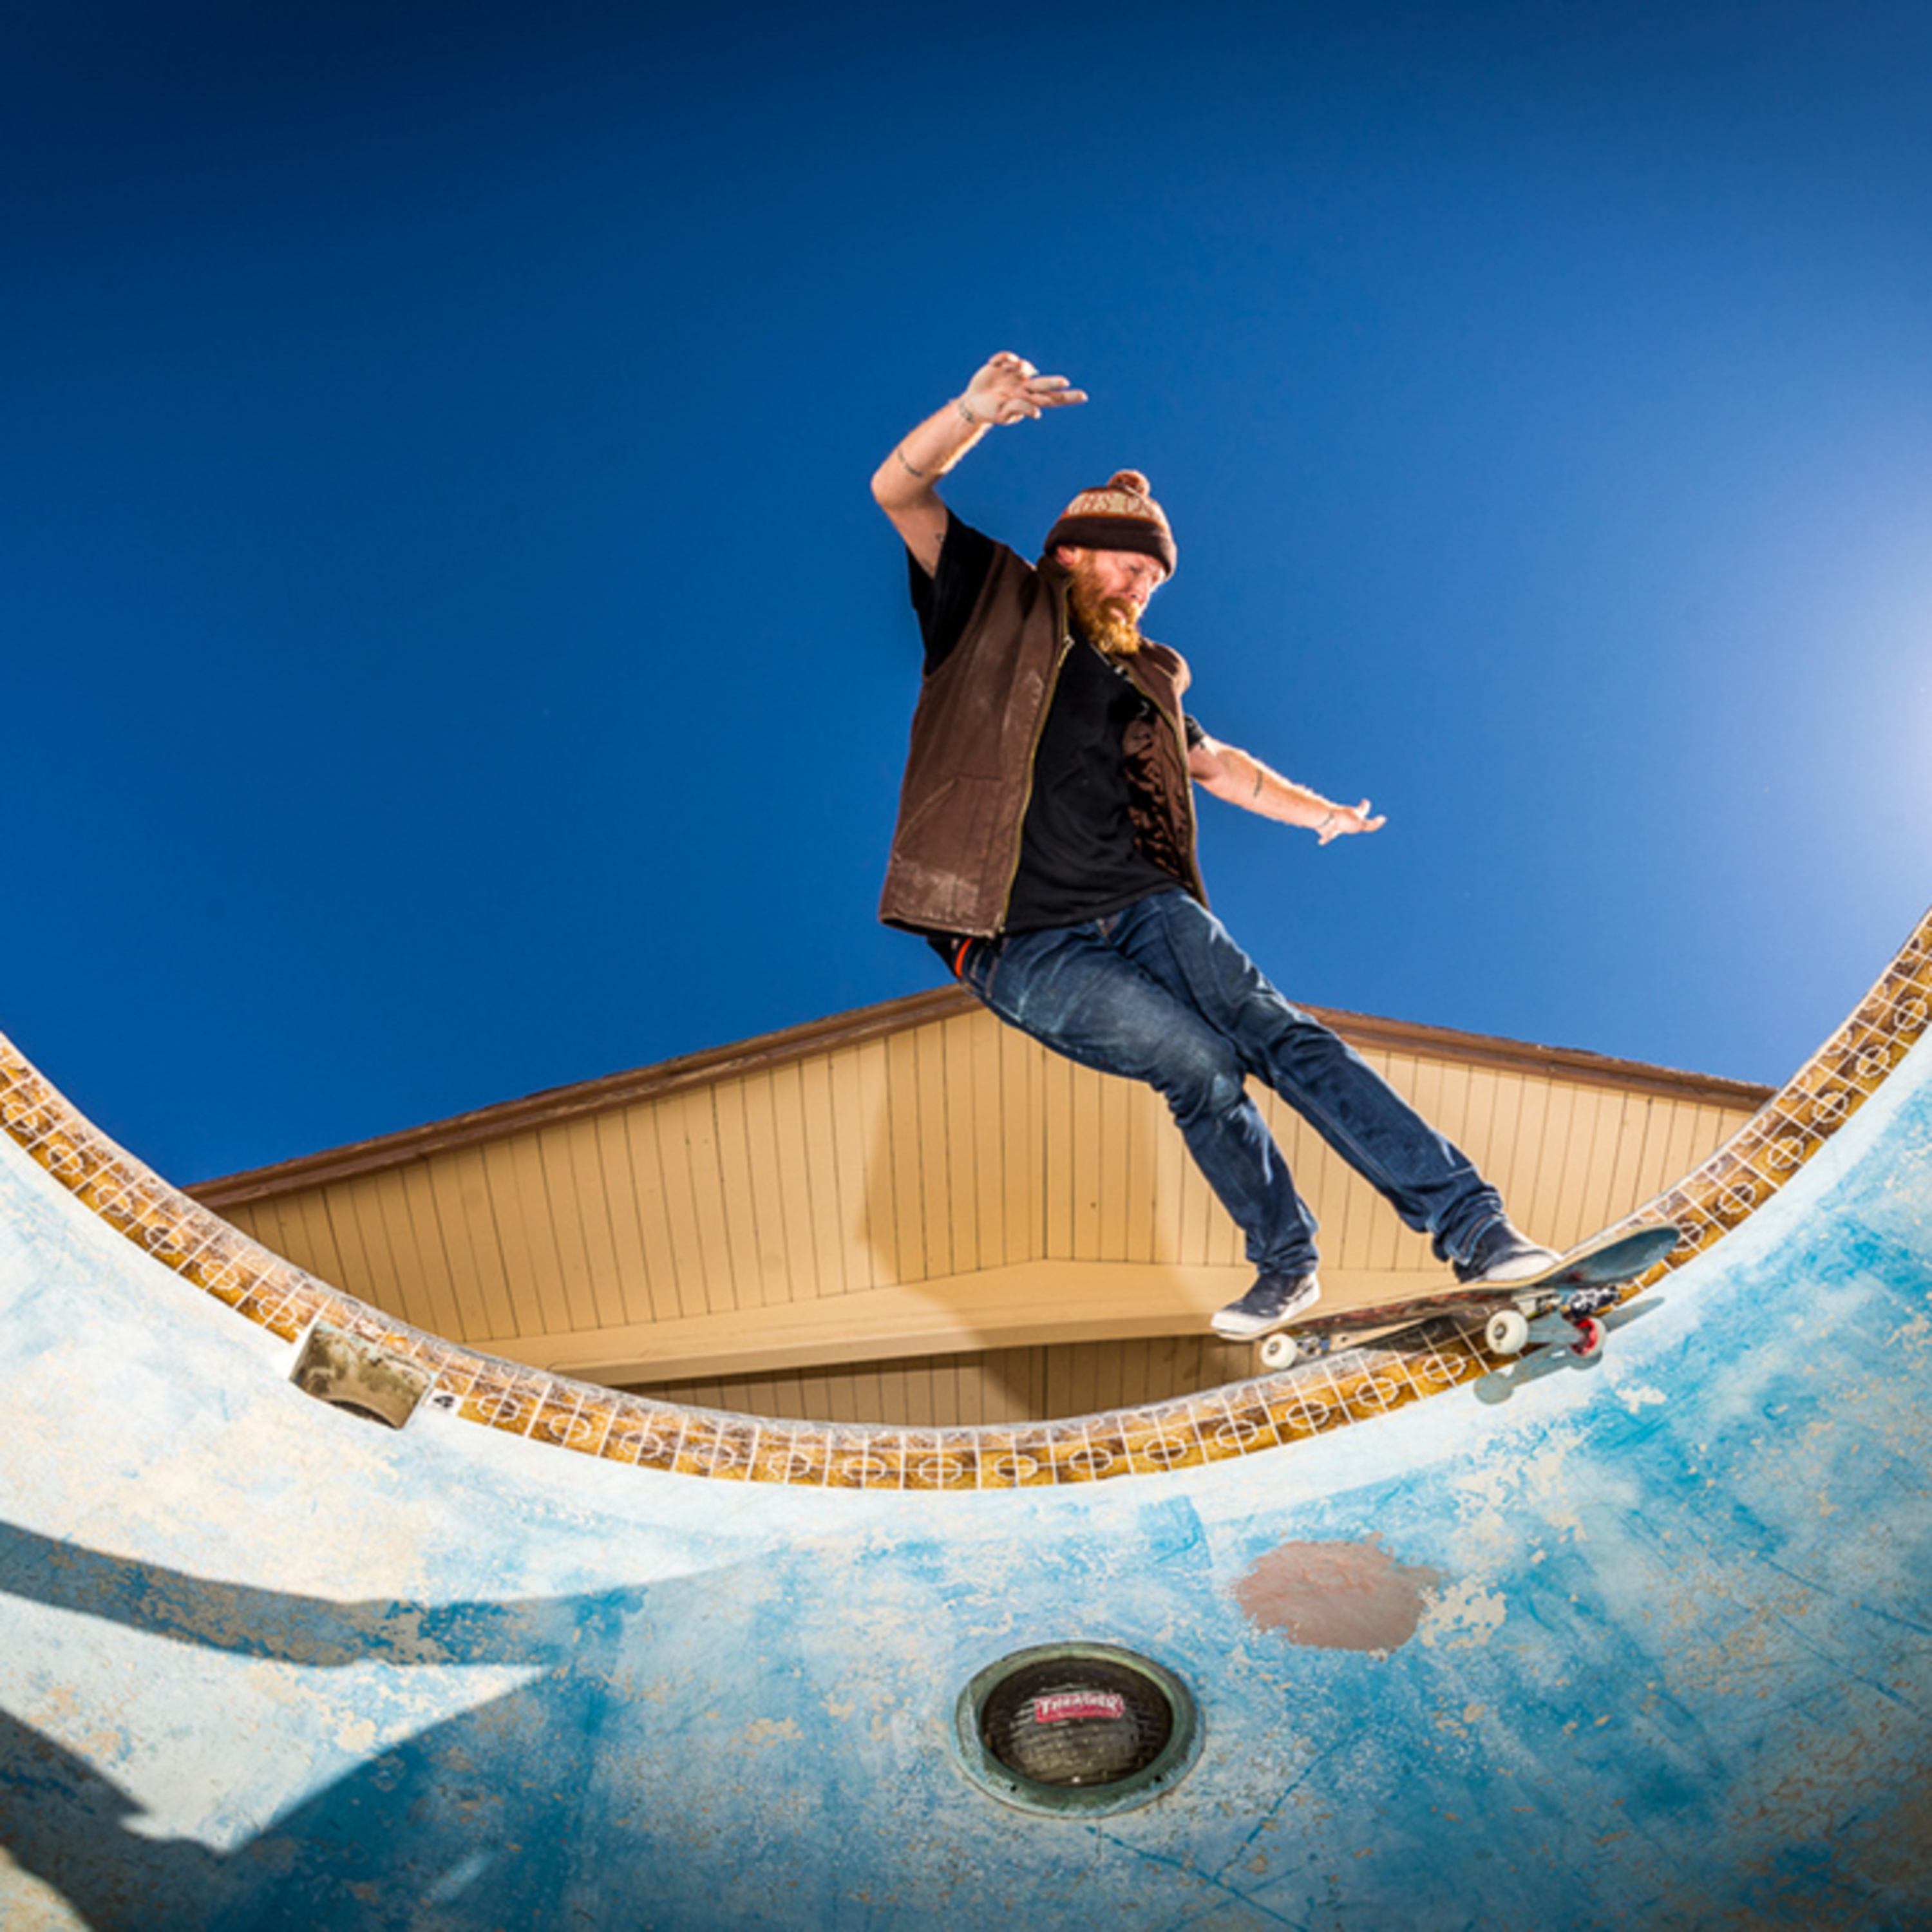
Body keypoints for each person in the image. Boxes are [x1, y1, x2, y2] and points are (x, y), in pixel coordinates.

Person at [869, 350, 1558, 1343]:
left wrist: (1319, 813)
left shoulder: (1146, 675)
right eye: (1129, 567)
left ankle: (1478, 1229)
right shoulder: (989, 599)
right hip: (1020, 940)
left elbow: (1218, 765)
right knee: (1194, 1065)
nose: (1141, 589)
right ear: (1071, 553)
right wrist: (972, 413)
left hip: (1146, 906)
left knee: (1282, 1033)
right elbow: (900, 490)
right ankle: (1287, 1264)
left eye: (1154, 579)